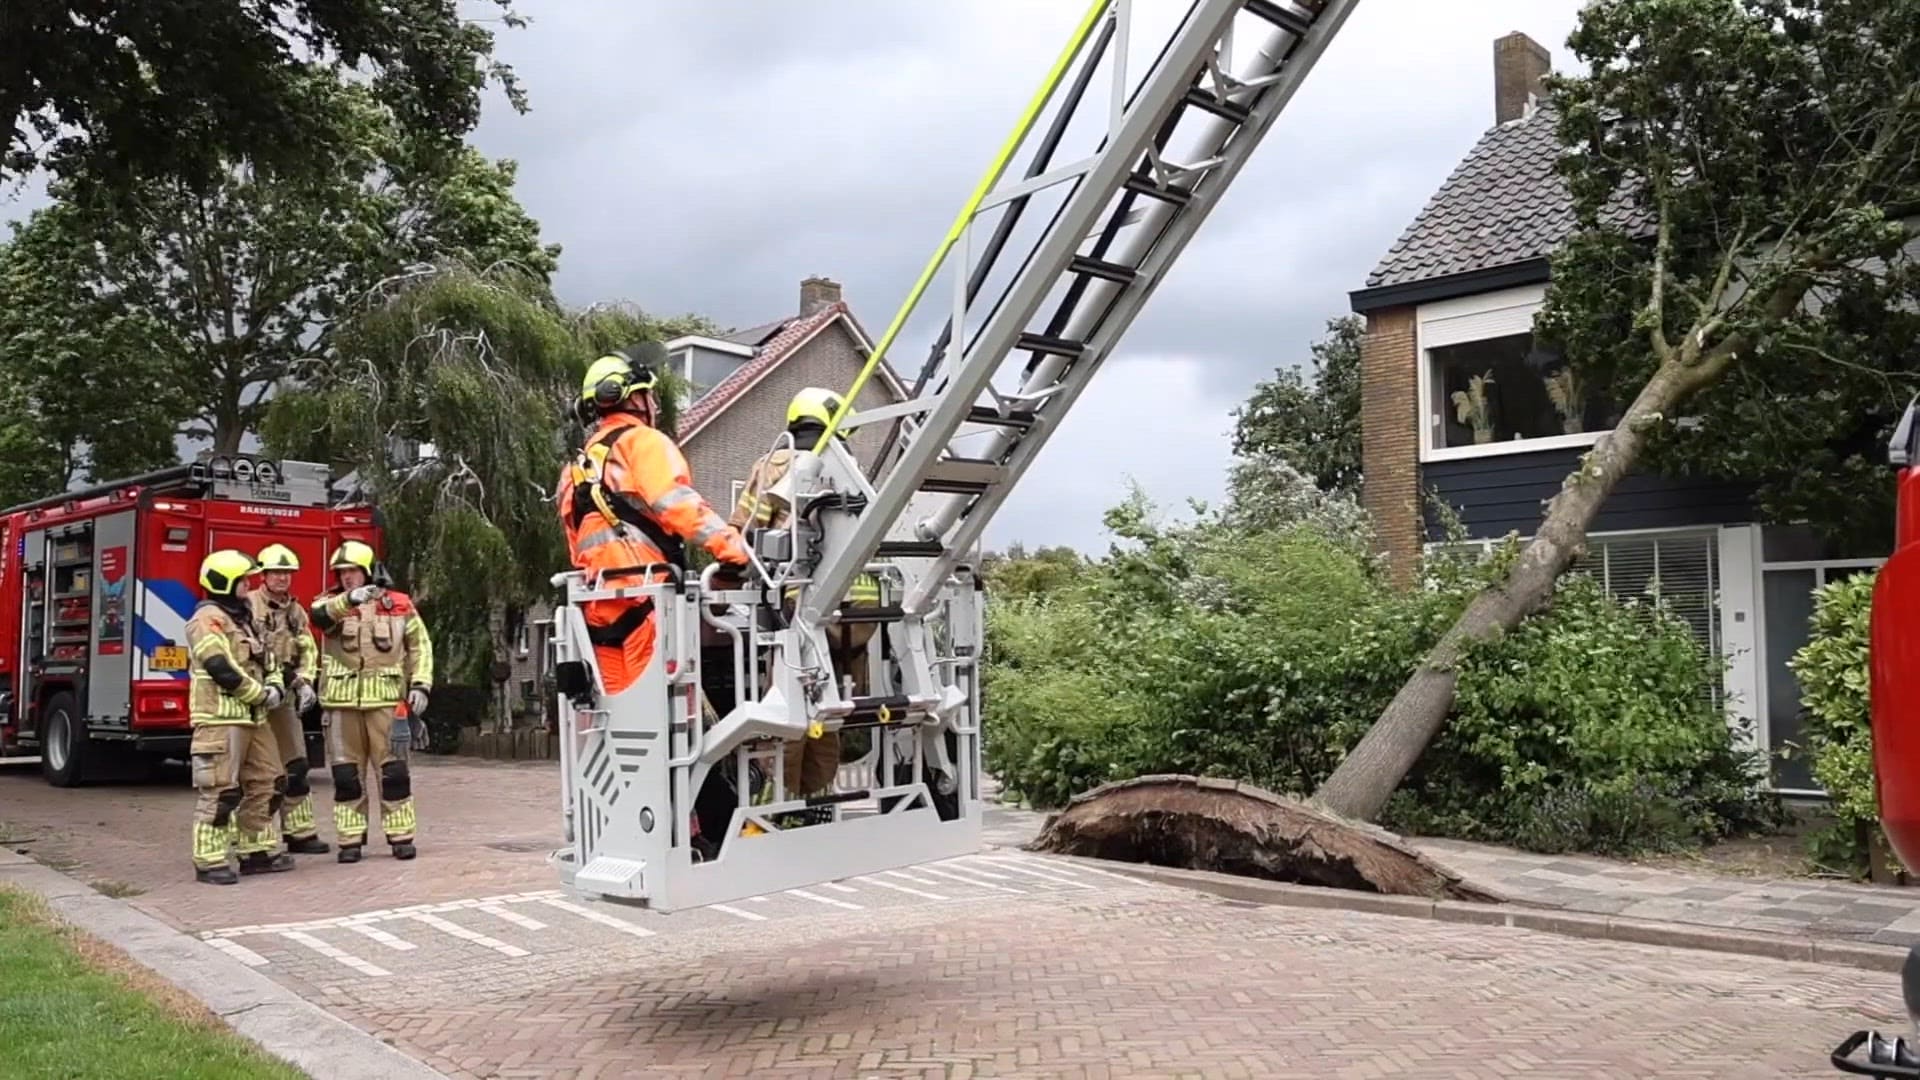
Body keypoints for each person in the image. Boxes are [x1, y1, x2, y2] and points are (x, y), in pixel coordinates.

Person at [555, 345, 752, 698]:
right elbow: (680, 507)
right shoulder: (644, 443)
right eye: (649, 395)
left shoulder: (575, 470)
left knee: (616, 716)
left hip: (598, 611)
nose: (656, 405)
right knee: (665, 714)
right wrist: (734, 550)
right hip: (649, 605)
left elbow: (575, 544)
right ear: (632, 398)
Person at [729, 386, 884, 800]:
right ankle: (819, 794)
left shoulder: (776, 464)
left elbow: (745, 530)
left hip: (800, 603)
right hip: (858, 615)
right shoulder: (850, 469)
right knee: (830, 703)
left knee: (790, 698)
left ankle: (783, 798)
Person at [310, 540, 433, 863]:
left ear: (366, 571)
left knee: (394, 773)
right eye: (342, 571)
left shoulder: (399, 604)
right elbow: (318, 617)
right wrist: (349, 599)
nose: (347, 576)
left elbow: (420, 646)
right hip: (341, 705)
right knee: (346, 777)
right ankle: (350, 840)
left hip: (386, 703)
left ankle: (401, 836)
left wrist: (421, 685)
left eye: (352, 571)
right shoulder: (330, 603)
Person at [186, 549, 294, 885]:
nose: (248, 585)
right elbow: (220, 667)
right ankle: (209, 860)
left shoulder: (244, 618)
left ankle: (256, 850)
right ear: (225, 582)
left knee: (271, 782)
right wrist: (260, 694)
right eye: (242, 580)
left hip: (254, 718)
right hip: (220, 718)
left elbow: (270, 661)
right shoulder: (206, 620)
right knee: (221, 792)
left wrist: (276, 686)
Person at [250, 543, 327, 855]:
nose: (282, 578)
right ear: (263, 575)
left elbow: (308, 647)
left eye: (287, 573)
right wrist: (283, 679)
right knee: (260, 772)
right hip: (257, 698)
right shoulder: (250, 606)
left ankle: (300, 833)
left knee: (296, 764)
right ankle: (252, 837)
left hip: (285, 701)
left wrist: (306, 680)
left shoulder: (296, 610)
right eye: (276, 572)